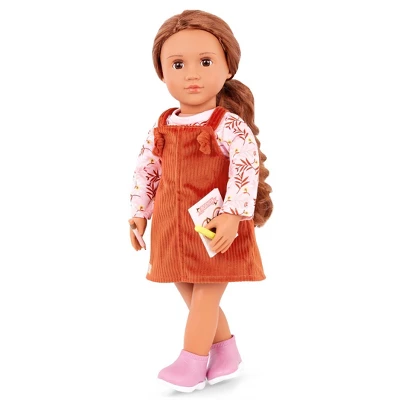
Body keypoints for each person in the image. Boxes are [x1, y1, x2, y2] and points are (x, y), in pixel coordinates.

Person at [128, 9, 273, 393]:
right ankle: (226, 353)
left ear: (228, 66)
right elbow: (146, 170)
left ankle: (191, 360)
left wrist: (233, 215)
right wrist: (139, 213)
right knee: (189, 290)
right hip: (173, 226)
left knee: (206, 294)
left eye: (205, 61)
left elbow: (245, 168)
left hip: (215, 227)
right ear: (162, 73)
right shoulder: (162, 126)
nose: (192, 74)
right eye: (178, 64)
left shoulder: (228, 125)